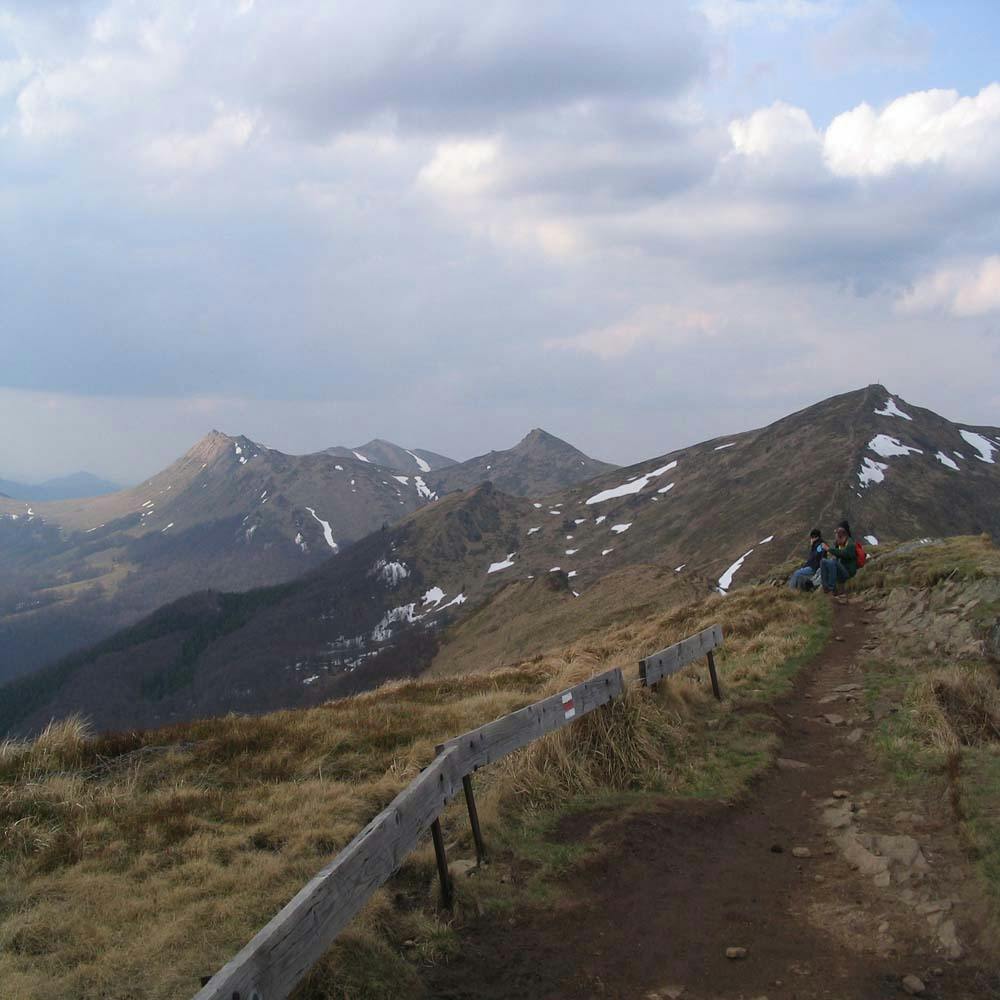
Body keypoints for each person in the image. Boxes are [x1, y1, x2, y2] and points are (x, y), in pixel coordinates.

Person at [820, 520, 858, 593]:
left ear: (842, 536)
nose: (836, 539)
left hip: (848, 573)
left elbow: (844, 553)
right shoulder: (840, 545)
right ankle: (825, 587)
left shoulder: (850, 544)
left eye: (837, 536)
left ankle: (832, 588)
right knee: (823, 561)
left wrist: (829, 549)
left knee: (833, 562)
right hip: (841, 570)